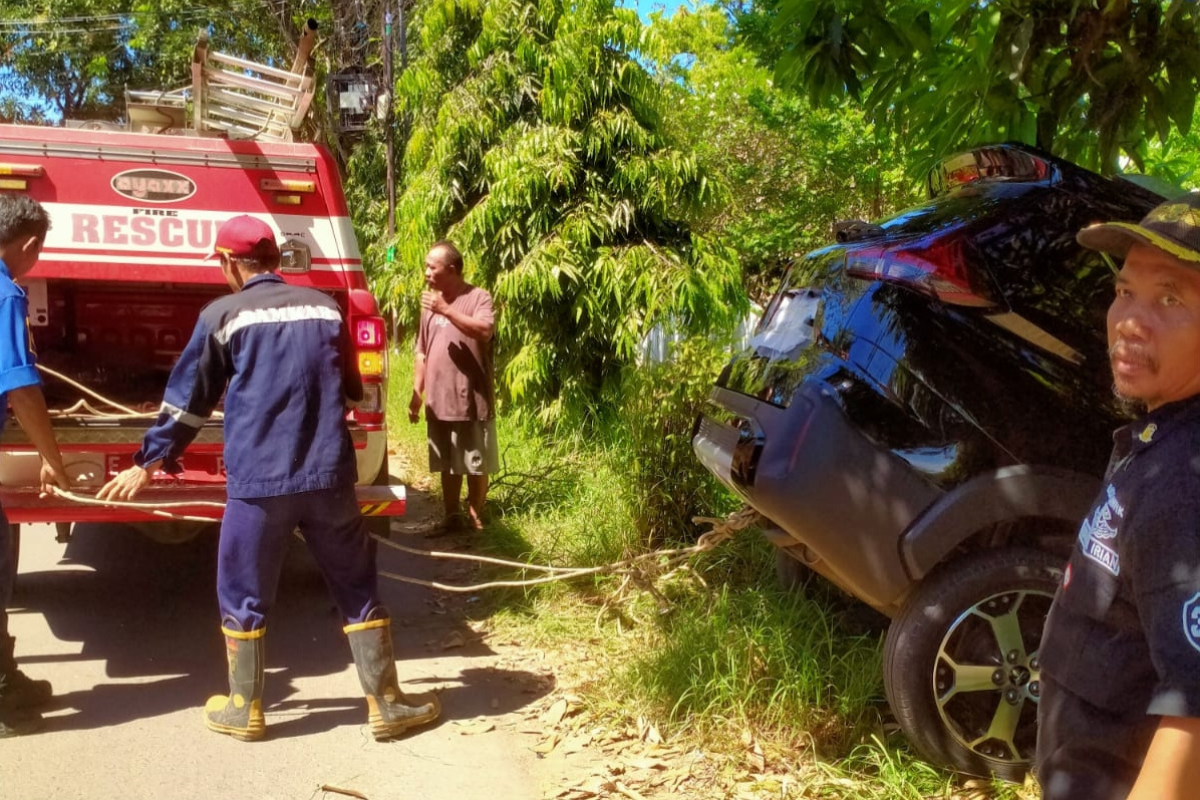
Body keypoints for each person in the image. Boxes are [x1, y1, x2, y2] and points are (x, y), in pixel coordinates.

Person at [97, 215, 438, 742]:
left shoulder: (221, 315)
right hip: (328, 477)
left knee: (244, 591)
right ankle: (386, 704)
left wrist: (149, 460)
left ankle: (245, 709)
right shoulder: (325, 307)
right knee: (355, 584)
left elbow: (189, 402)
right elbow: (351, 388)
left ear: (231, 263)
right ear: (278, 262)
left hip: (259, 485)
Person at [1036, 192, 1200, 799]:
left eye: (1170, 298)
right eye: (1125, 291)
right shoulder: (1163, 436)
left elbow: (1194, 711)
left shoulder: (1186, 481)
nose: (1129, 319)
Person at [0, 195, 71, 738]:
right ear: (27, 244)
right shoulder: (4, 293)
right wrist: (54, 460)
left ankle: (5, 679)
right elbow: (21, 388)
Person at [408, 241, 498, 533]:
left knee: (475, 463)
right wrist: (416, 393)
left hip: (471, 400)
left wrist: (446, 310)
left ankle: (475, 517)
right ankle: (451, 517)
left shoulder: (477, 297)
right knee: (447, 465)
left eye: (431, 267)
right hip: (439, 401)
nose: (426, 273)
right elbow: (421, 351)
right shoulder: (429, 305)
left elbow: (485, 330)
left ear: (451, 269)